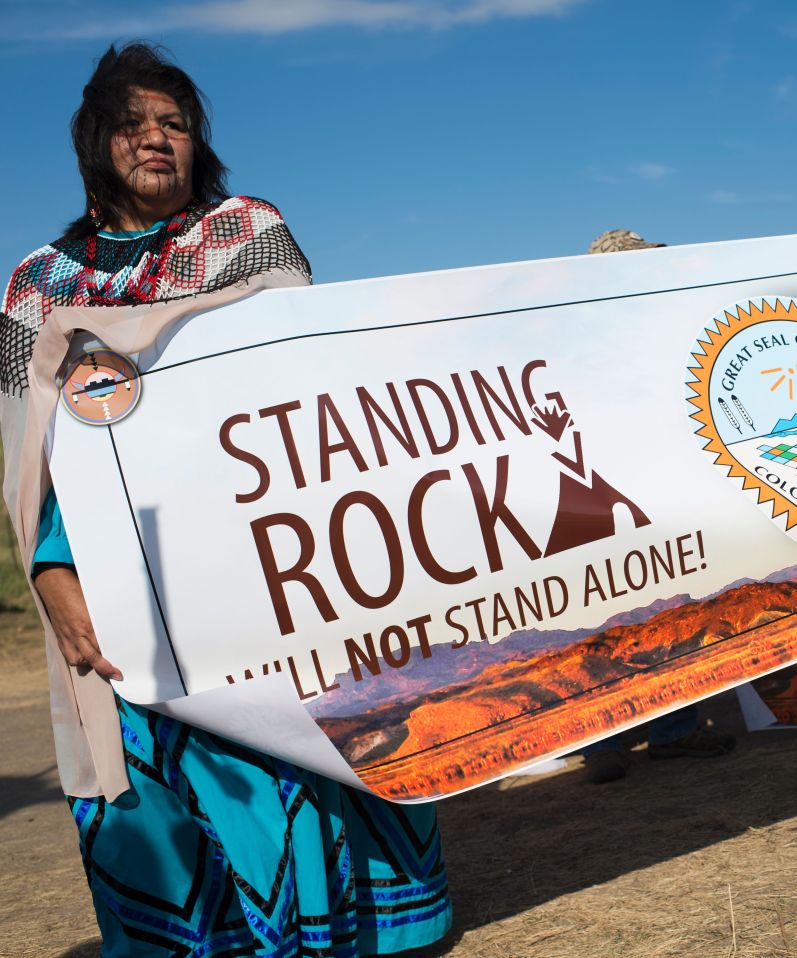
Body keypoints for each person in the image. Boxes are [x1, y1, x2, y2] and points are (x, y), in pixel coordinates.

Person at [0, 44, 452, 952]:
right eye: (134, 124)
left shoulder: (248, 233)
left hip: (256, 551)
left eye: (175, 124)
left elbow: (306, 381)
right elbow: (28, 458)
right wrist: (51, 573)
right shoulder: (39, 284)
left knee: (283, 742)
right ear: (97, 141)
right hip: (110, 568)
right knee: (149, 763)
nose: (157, 139)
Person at [580, 228, 738, 783]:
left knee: (671, 607)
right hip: (606, 496)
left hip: (659, 489)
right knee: (615, 616)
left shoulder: (657, 332)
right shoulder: (582, 343)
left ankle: (666, 728)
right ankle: (610, 737)